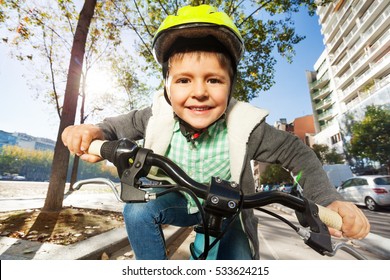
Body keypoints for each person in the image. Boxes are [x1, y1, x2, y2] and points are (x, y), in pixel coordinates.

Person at [62, 4, 370, 260]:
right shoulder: (156, 116)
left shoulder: (245, 126)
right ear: (166, 88)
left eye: (213, 80)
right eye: (183, 81)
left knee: (241, 261)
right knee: (137, 212)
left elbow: (297, 153)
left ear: (231, 85)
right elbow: (112, 127)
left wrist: (327, 199)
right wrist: (89, 130)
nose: (199, 92)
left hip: (230, 212)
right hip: (176, 202)